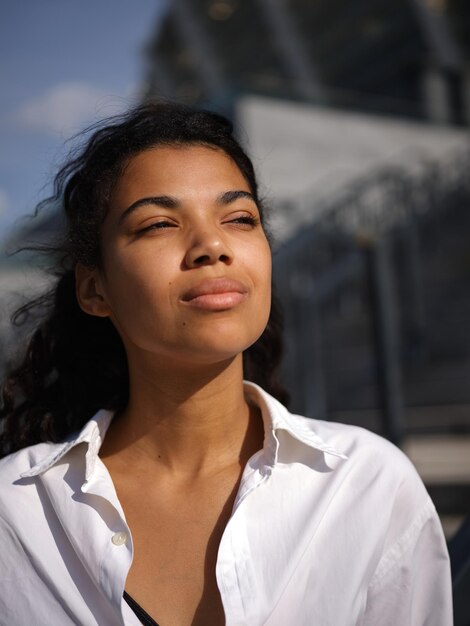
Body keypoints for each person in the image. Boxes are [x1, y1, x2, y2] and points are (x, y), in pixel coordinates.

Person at [0, 102, 452, 626]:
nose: (212, 245)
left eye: (240, 219)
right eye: (158, 224)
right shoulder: (17, 514)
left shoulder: (368, 484)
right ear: (94, 288)